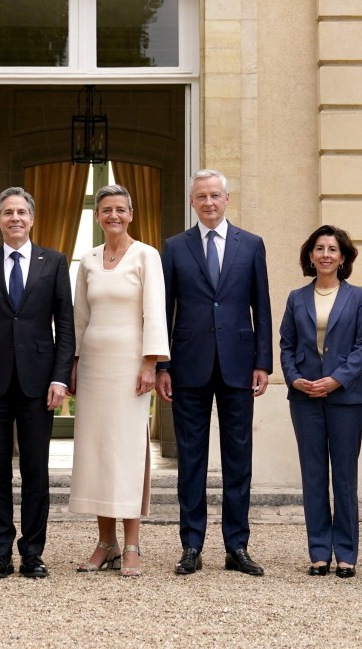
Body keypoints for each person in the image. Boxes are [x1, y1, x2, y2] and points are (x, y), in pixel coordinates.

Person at [156, 169, 272, 577]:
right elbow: (162, 311)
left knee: (239, 458)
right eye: (201, 196)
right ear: (193, 202)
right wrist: (163, 365)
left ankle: (237, 545)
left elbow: (262, 304)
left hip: (240, 365)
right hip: (188, 365)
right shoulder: (174, 247)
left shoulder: (251, 245)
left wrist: (263, 362)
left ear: (227, 199)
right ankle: (191, 545)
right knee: (191, 459)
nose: (208, 202)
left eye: (215, 196)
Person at [0, 187, 74, 580]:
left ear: (32, 218)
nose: (15, 218)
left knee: (35, 471)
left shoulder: (54, 262)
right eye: (7, 212)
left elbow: (66, 326)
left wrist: (61, 377)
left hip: (39, 384)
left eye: (21, 212)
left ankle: (33, 553)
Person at [69, 184, 169, 578]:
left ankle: (131, 545)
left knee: (126, 452)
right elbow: (79, 316)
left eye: (120, 209)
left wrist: (150, 365)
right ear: (97, 216)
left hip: (130, 367)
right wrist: (73, 363)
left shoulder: (147, 255)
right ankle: (104, 543)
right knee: (96, 453)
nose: (113, 215)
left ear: (131, 214)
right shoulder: (89, 260)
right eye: (105, 209)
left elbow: (154, 312)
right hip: (93, 365)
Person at [280, 225, 362, 579]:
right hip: (304, 398)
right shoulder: (295, 298)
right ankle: (319, 552)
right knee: (314, 476)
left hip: (346, 398)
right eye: (319, 249)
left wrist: (336, 380)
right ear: (310, 255)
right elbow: (286, 346)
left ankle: (346, 554)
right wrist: (294, 378)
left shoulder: (359, 298)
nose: (325, 255)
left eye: (332, 249)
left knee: (345, 478)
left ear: (343, 257)